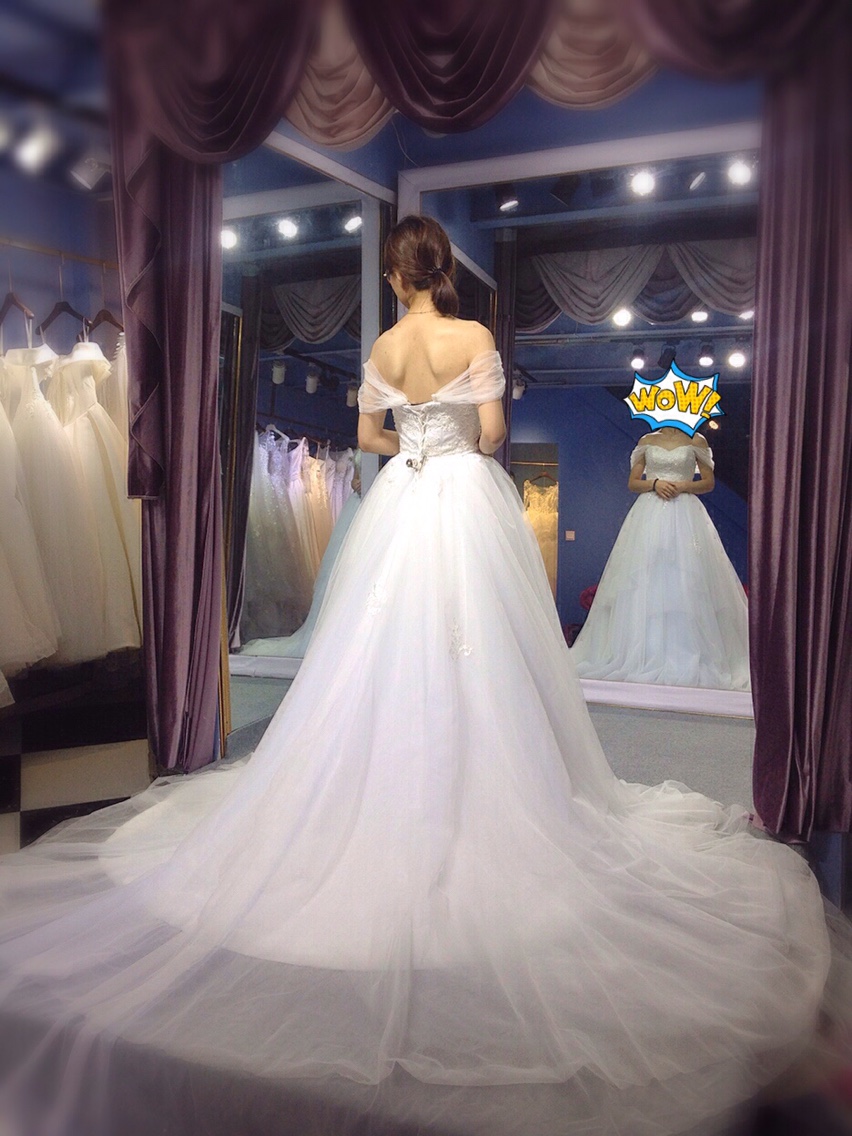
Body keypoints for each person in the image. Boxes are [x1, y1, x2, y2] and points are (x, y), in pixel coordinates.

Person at [0, 217, 837, 1136]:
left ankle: (379, 781)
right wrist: (454, 446)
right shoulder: (473, 336)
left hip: (404, 495)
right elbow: (493, 434)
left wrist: (412, 448)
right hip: (462, 499)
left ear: (396, 276)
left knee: (374, 645)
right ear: (440, 270)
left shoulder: (385, 347)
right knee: (480, 646)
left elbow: (368, 434)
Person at [571, 424, 751, 690]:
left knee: (687, 577)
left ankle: (688, 650)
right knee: (646, 575)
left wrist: (683, 486)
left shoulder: (697, 440)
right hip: (650, 511)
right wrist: (655, 483)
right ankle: (641, 652)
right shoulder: (647, 440)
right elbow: (633, 482)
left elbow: (708, 482)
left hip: (685, 512)